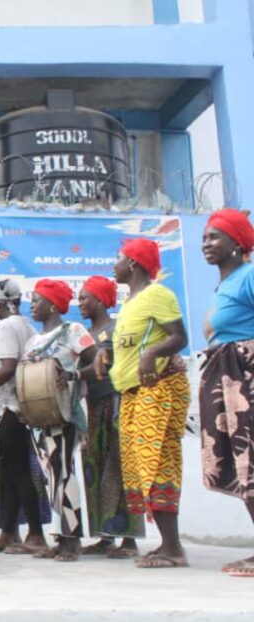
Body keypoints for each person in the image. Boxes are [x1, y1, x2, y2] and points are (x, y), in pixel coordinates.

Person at [111, 237, 190, 569]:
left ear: (132, 263)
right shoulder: (129, 303)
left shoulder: (158, 294)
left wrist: (152, 353)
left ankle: (173, 548)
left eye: (117, 258)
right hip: (132, 393)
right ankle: (166, 544)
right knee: (140, 469)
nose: (112, 265)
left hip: (156, 390)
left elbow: (180, 337)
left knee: (156, 463)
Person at [22, 279, 96, 562]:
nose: (32, 305)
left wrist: (73, 376)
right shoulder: (32, 341)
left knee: (64, 474)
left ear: (53, 305)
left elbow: (97, 359)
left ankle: (72, 540)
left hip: (64, 414)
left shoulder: (73, 331)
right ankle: (61, 536)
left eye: (37, 300)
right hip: (39, 419)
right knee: (52, 477)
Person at [197, 209, 254, 576]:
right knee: (240, 464)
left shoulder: (249, 275)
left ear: (237, 243)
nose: (206, 244)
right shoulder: (227, 283)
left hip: (244, 376)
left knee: (251, 458)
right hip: (226, 377)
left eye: (215, 237)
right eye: (204, 237)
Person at [0, 279, 47, 555]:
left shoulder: (5, 326)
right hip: (19, 407)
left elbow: (7, 367)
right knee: (9, 472)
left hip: (8, 408)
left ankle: (36, 535)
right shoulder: (27, 326)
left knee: (17, 472)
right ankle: (7, 533)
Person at [78, 275, 144, 558]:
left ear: (101, 300)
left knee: (119, 469)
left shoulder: (117, 329)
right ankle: (105, 536)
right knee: (94, 469)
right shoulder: (82, 334)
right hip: (92, 407)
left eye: (84, 297)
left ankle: (128, 539)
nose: (79, 302)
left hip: (116, 404)